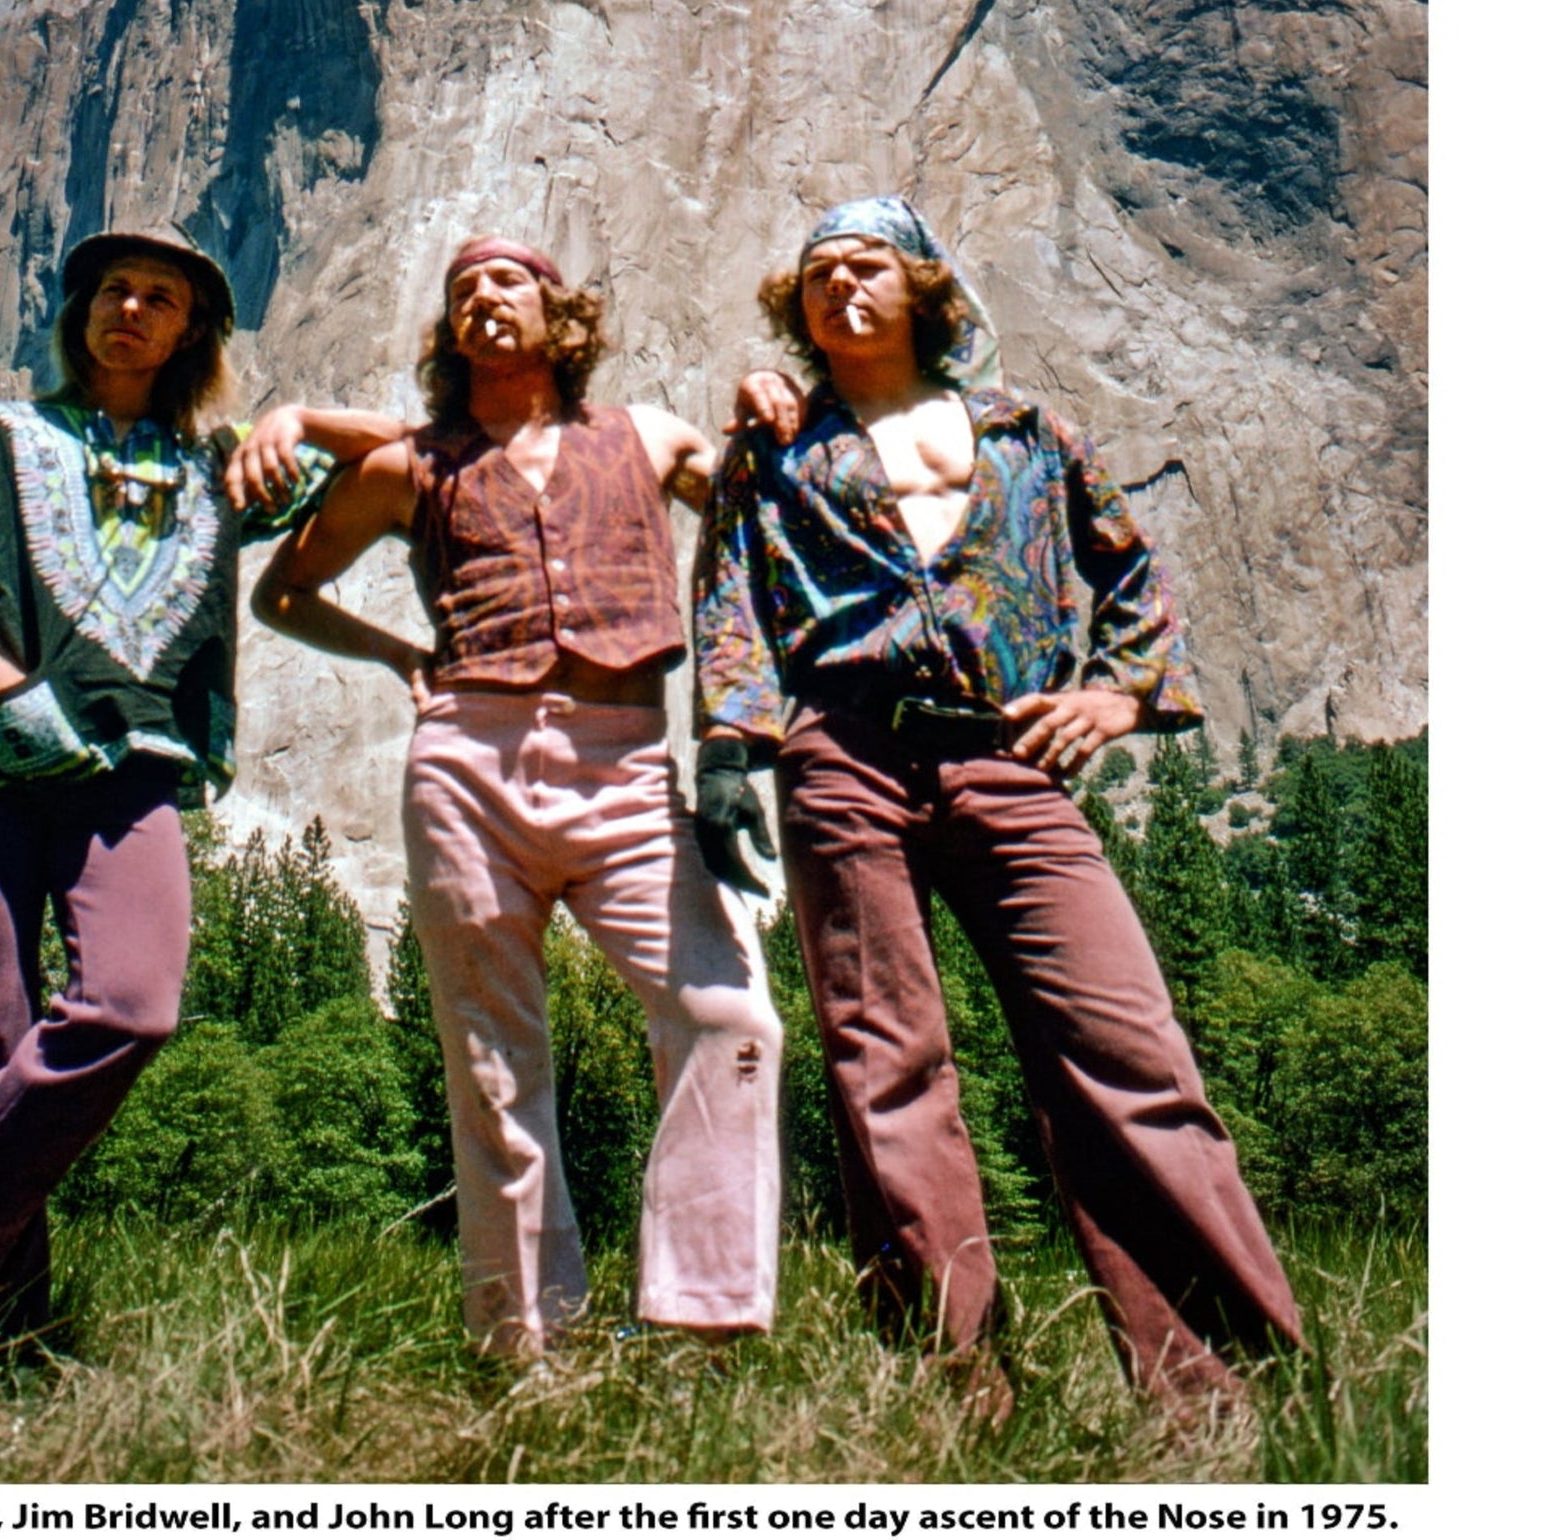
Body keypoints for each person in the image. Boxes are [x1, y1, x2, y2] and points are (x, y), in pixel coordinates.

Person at [692, 196, 1300, 1407]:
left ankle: (1218, 1392)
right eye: (816, 274)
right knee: (885, 1064)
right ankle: (950, 1391)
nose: (838, 289)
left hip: (1009, 762)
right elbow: (730, 595)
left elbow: (1127, 566)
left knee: (1125, 1049)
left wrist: (1120, 697)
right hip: (843, 757)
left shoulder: (1027, 434)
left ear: (923, 286)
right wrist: (725, 749)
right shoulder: (776, 444)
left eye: (865, 266)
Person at [0, 229, 326, 1351]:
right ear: (79, 309)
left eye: (160, 298)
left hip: (134, 784)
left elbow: (393, 454)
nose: (130, 310)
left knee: (134, 1004)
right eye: (112, 290)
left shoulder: (222, 470)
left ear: (194, 331)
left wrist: (300, 422)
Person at [249, 238, 782, 1360]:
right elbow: (282, 592)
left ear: (559, 314)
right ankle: (525, 1349)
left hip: (629, 766)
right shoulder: (411, 468)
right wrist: (400, 657)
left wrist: (773, 402)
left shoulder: (643, 436)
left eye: (505, 283)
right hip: (467, 765)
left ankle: (700, 1321)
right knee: (493, 1064)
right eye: (460, 294)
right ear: (447, 336)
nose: (482, 300)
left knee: (730, 1018)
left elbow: (748, 503)